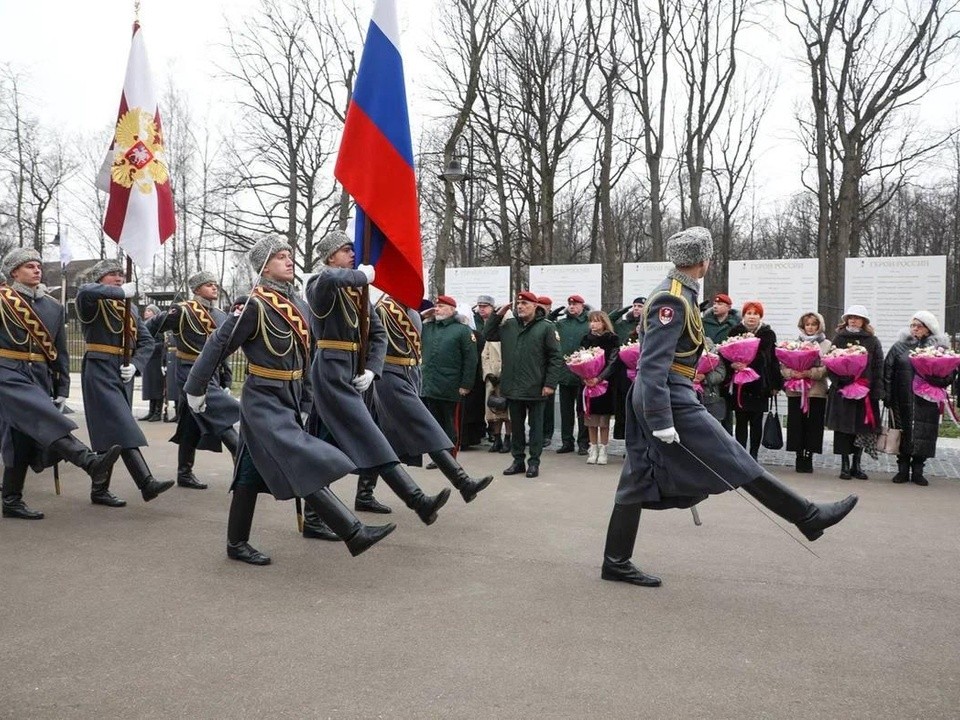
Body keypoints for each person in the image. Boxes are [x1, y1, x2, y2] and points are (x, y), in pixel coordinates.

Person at [602, 226, 857, 588]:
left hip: (666, 391)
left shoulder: (678, 293)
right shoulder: (672, 300)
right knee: (735, 457)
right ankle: (808, 516)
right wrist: (660, 418)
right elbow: (655, 363)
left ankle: (615, 561)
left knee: (636, 478)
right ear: (703, 261)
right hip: (669, 395)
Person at [184, 236, 395, 565]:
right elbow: (218, 344)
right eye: (281, 257)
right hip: (262, 399)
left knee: (250, 473)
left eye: (289, 256)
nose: (289, 261)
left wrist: (307, 400)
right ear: (265, 266)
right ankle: (353, 532)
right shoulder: (257, 304)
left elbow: (304, 357)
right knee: (302, 459)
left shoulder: (296, 302)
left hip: (288, 397)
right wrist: (196, 388)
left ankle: (236, 543)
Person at [304, 230, 450, 536]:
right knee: (370, 435)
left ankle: (314, 518)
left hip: (353, 371)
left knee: (324, 442)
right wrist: (361, 276)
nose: (352, 254)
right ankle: (418, 501)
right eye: (346, 250)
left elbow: (378, 334)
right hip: (330, 368)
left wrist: (372, 369)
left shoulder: (355, 292)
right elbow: (330, 280)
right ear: (331, 257)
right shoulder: (321, 283)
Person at [0, 249, 123, 520]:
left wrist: (61, 389)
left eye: (38, 265)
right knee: (43, 417)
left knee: (19, 438)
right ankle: (89, 461)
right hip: (6, 373)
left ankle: (11, 500)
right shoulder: (3, 300)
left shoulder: (53, 307)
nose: (36, 270)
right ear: (13, 273)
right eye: (28, 266)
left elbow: (60, 352)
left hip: (39, 377)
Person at [367, 294, 493, 503]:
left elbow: (469, 359)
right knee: (422, 427)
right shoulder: (385, 306)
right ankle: (461, 482)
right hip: (389, 376)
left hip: (410, 376)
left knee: (381, 438)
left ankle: (365, 494)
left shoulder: (417, 314)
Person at [76, 260, 174, 507]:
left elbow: (147, 341)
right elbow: (84, 290)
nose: (119, 278)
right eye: (112, 274)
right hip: (99, 367)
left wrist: (136, 365)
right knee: (120, 423)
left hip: (122, 371)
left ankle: (100, 490)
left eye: (121, 274)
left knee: (109, 429)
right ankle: (146, 482)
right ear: (100, 279)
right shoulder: (91, 301)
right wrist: (120, 293)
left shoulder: (128, 309)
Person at [146, 271, 241, 490]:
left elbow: (223, 349)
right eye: (209, 285)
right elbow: (150, 329)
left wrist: (225, 378)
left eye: (215, 284)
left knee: (190, 423)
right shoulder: (182, 311)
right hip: (189, 371)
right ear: (197, 289)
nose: (214, 288)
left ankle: (184, 473)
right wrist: (150, 351)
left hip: (212, 374)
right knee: (222, 416)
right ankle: (243, 468)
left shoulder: (219, 315)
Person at [483, 290, 563, 479]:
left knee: (535, 428)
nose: (520, 307)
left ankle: (533, 462)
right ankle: (517, 460)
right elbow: (487, 334)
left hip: (536, 387)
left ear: (535, 306)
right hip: (512, 387)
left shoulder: (546, 327)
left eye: (525, 304)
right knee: (516, 427)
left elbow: (555, 358)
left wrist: (550, 384)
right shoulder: (509, 325)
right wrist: (499, 313)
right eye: (518, 304)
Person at [883, 311, 954, 486]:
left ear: (928, 328)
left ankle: (918, 470)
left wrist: (935, 379)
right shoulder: (900, 347)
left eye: (918, 325)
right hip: (902, 398)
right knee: (903, 430)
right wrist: (888, 395)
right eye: (912, 325)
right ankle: (902, 469)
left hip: (927, 400)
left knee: (924, 434)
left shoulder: (939, 349)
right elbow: (888, 371)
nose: (914, 329)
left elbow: (949, 374)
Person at [825, 305, 883, 480]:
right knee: (843, 430)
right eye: (850, 317)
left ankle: (857, 464)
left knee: (861, 429)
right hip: (843, 392)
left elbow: (878, 366)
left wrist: (876, 390)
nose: (853, 320)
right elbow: (830, 362)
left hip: (864, 392)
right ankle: (844, 465)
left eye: (857, 318)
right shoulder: (839, 338)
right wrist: (840, 381)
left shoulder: (872, 341)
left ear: (864, 321)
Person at [724, 301, 782, 460]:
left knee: (756, 422)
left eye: (755, 313)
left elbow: (772, 359)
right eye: (749, 313)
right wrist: (733, 364)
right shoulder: (735, 332)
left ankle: (754, 454)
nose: (752, 317)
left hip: (760, 384)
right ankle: (741, 454)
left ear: (760, 316)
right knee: (741, 421)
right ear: (743, 315)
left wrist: (776, 384)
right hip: (740, 384)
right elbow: (726, 354)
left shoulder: (767, 334)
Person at [420, 294, 478, 450]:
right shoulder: (427, 327)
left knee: (450, 424)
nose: (437, 309)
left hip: (451, 385)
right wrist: (422, 316)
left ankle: (451, 456)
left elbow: (471, 360)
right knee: (434, 424)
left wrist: (466, 384)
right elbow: (410, 328)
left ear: (452, 310)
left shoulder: (462, 330)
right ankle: (439, 456)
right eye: (436, 306)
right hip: (430, 384)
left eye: (441, 307)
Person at [780, 312, 830, 473]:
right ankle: (798, 454)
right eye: (807, 324)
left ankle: (809, 455)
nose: (810, 327)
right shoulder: (793, 344)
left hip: (816, 390)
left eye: (813, 324)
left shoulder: (827, 344)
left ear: (819, 326)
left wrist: (809, 373)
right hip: (796, 390)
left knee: (814, 424)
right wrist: (793, 374)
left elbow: (827, 367)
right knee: (796, 423)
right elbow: (783, 365)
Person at [578, 311, 621, 465]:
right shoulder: (586, 339)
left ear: (604, 323)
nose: (593, 324)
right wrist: (584, 376)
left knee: (603, 419)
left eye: (597, 321)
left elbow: (613, 362)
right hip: (588, 384)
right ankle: (593, 447)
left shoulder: (612, 339)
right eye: (591, 321)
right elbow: (580, 359)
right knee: (590, 418)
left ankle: (603, 449)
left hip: (605, 384)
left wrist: (599, 378)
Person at [555, 294, 590, 455]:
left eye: (575, 304)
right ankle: (566, 441)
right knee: (566, 411)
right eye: (570, 304)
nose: (572, 307)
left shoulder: (588, 323)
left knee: (582, 411)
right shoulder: (561, 324)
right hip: (564, 373)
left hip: (582, 374)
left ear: (582, 306)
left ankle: (583, 442)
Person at [476, 295, 512, 453]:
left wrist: (504, 374)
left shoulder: (508, 331)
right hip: (492, 377)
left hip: (507, 376)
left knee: (507, 411)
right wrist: (488, 373)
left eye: (485, 306)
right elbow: (485, 355)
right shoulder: (490, 332)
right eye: (479, 306)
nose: (481, 309)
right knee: (493, 410)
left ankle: (508, 439)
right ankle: (496, 438)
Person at [138, 304, 165, 421]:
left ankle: (158, 412)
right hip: (148, 359)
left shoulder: (158, 327)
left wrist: (150, 346)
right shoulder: (144, 326)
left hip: (156, 359)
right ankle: (151, 411)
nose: (146, 312)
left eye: (149, 311)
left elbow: (163, 343)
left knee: (157, 387)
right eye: (146, 310)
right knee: (149, 387)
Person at [537, 295, 557, 447]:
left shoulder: (552, 324)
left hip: (547, 370)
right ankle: (536, 432)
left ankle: (547, 434)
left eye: (544, 306)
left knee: (548, 406)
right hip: (534, 371)